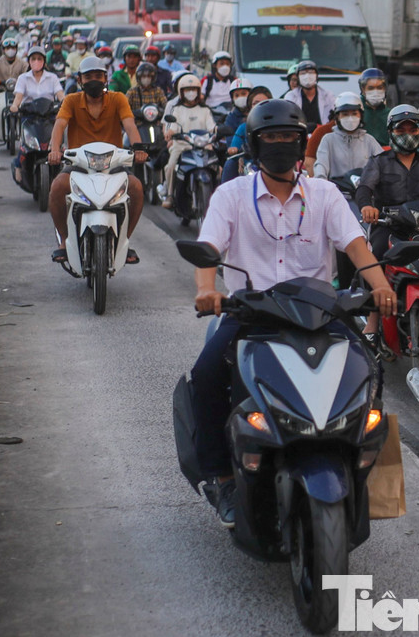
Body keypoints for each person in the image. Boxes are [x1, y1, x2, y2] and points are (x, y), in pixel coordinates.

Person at [189, 99, 397, 527]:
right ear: (254, 144)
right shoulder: (232, 195)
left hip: (319, 311)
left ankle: (376, 482)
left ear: (302, 143)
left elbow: (355, 244)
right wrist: (207, 290)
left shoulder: (324, 194)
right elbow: (208, 246)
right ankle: (223, 478)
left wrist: (379, 285)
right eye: (271, 137)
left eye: (289, 137)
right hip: (251, 313)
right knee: (206, 375)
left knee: (372, 372)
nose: (280, 144)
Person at [356, 105, 419, 346]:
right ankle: (373, 320)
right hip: (388, 226)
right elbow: (364, 188)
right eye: (400, 129)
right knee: (378, 257)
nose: (407, 134)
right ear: (390, 132)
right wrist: (367, 207)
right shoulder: (379, 162)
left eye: (412, 129)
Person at [46, 57, 148, 265]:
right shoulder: (71, 100)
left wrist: (138, 148)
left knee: (136, 188)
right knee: (57, 188)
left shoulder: (118, 99)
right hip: (79, 164)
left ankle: (124, 240)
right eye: (88, 77)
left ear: (105, 78)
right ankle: (64, 241)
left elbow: (129, 125)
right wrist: (55, 150)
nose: (94, 80)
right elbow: (59, 126)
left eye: (98, 76)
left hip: (113, 164)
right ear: (80, 80)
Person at [162, 73, 217, 208]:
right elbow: (173, 127)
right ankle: (170, 194)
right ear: (181, 92)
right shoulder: (177, 109)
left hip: (203, 146)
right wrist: (170, 132)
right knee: (171, 166)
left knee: (217, 167)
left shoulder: (205, 110)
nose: (191, 93)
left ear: (198, 91)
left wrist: (218, 131)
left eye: (193, 89)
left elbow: (212, 127)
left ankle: (217, 195)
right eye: (187, 90)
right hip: (182, 145)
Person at [313, 93, 380, 180]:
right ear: (337, 117)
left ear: (361, 115)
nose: (350, 118)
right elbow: (321, 164)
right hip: (337, 186)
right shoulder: (328, 140)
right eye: (345, 114)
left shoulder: (369, 140)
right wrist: (321, 179)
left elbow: (383, 163)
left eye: (354, 114)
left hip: (364, 186)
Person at [220, 86, 273, 184]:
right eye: (255, 103)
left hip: (272, 163)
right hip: (249, 164)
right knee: (230, 163)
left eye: (264, 103)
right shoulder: (243, 127)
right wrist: (234, 149)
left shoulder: (276, 126)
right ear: (250, 107)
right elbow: (235, 145)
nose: (260, 106)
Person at [0, 37, 28, 136]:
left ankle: (26, 128)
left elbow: (28, 73)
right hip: (2, 90)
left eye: (13, 48)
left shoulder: (22, 63)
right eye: (7, 48)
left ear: (16, 49)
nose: (10, 50)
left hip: (18, 92)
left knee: (27, 105)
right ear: (3, 50)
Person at [10, 46, 63, 114]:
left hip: (49, 115)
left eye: (39, 59)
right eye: (33, 59)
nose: (36, 61)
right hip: (28, 115)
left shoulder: (53, 77)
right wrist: (14, 106)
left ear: (44, 61)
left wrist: (66, 103)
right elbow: (18, 97)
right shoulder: (22, 78)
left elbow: (60, 94)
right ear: (29, 61)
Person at [283, 59, 334, 127]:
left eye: (311, 72)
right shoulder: (291, 96)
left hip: (322, 132)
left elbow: (332, 121)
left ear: (317, 76)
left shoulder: (328, 96)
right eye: (303, 73)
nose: (307, 76)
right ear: (298, 77)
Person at [358, 67, 390, 146]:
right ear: (363, 90)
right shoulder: (357, 113)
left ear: (385, 89)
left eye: (379, 88)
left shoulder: (390, 114)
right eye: (371, 88)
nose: (375, 91)